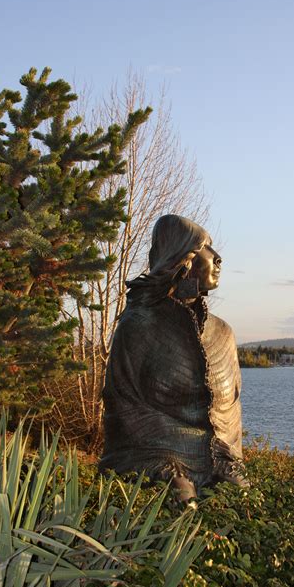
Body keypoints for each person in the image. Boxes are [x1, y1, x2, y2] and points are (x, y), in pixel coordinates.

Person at [101, 214, 248, 501]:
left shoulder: (223, 334)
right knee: (183, 498)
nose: (217, 258)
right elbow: (123, 407)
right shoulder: (138, 326)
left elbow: (232, 411)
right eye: (206, 247)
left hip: (218, 454)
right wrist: (169, 459)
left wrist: (227, 458)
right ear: (183, 257)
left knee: (238, 497)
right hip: (154, 453)